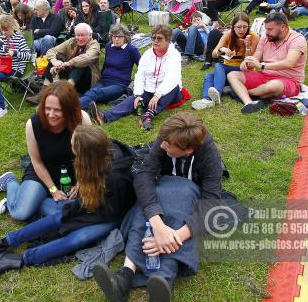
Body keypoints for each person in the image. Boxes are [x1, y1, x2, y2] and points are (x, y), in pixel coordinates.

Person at [0, 125, 136, 283]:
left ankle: (20, 258)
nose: (70, 148)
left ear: (87, 156)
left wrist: (77, 219)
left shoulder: (117, 178)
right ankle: (5, 243)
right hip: (96, 201)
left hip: (113, 214)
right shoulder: (96, 157)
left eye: (73, 147)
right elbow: (87, 192)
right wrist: (77, 204)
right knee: (60, 216)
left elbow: (113, 210)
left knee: (79, 237)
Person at [93, 113, 223, 302]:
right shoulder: (168, 135)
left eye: (167, 146)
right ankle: (124, 278)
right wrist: (156, 222)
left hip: (189, 192)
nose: (161, 146)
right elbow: (144, 175)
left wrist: (175, 237)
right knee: (144, 210)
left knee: (178, 216)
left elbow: (211, 203)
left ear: (187, 150)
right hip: (162, 186)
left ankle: (162, 281)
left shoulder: (209, 156)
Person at [0, 81, 91, 220]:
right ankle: (9, 181)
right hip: (42, 171)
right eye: (47, 108)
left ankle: (32, 200)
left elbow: (88, 157)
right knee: (20, 213)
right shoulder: (33, 124)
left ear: (69, 109)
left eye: (58, 110)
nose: (51, 114)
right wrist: (53, 190)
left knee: (82, 209)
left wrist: (81, 182)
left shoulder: (81, 119)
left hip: (73, 173)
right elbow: (36, 162)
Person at [89, 25, 183, 131]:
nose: (155, 41)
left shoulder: (174, 55)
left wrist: (157, 95)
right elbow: (140, 75)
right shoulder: (148, 55)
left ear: (168, 40)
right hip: (150, 89)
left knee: (174, 86)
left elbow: (172, 78)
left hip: (170, 94)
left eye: (159, 38)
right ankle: (104, 116)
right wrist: (138, 94)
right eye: (153, 38)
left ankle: (148, 115)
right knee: (132, 100)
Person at [227, 12, 307, 114]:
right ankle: (248, 103)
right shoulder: (266, 37)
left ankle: (241, 92)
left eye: (270, 29)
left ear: (283, 27)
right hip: (265, 75)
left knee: (273, 86)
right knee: (232, 75)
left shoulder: (297, 39)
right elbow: (256, 58)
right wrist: (247, 62)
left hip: (290, 80)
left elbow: (289, 63)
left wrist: (262, 65)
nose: (266, 32)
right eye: (266, 29)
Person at [192, 13, 259, 110]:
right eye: (239, 27)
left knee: (219, 66)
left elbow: (250, 61)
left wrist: (247, 46)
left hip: (244, 69)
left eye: (245, 27)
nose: (242, 30)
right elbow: (213, 54)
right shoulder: (228, 35)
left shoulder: (253, 37)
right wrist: (221, 50)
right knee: (209, 75)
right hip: (230, 65)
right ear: (233, 27)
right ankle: (206, 99)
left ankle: (217, 93)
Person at [0, 15, 31, 121]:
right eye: (2, 30)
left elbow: (28, 56)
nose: (3, 33)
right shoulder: (1, 39)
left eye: (6, 30)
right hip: (3, 67)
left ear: (13, 27)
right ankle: (0, 101)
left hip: (15, 69)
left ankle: (2, 107)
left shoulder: (19, 39)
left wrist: (15, 53)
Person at [81, 24, 141, 110]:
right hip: (104, 81)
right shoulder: (109, 46)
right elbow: (106, 64)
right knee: (91, 92)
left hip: (119, 84)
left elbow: (142, 67)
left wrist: (137, 83)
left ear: (125, 37)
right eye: (114, 36)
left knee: (96, 93)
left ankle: (73, 109)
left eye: (119, 36)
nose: (116, 39)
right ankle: (82, 108)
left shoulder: (131, 50)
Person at [38, 22, 100, 98]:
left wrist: (66, 64)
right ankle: (43, 93)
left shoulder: (94, 44)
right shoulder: (72, 41)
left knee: (81, 62)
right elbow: (51, 51)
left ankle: (64, 93)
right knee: (55, 58)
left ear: (90, 35)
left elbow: (87, 58)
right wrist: (55, 62)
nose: (80, 38)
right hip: (70, 76)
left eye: (83, 35)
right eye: (78, 35)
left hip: (86, 81)